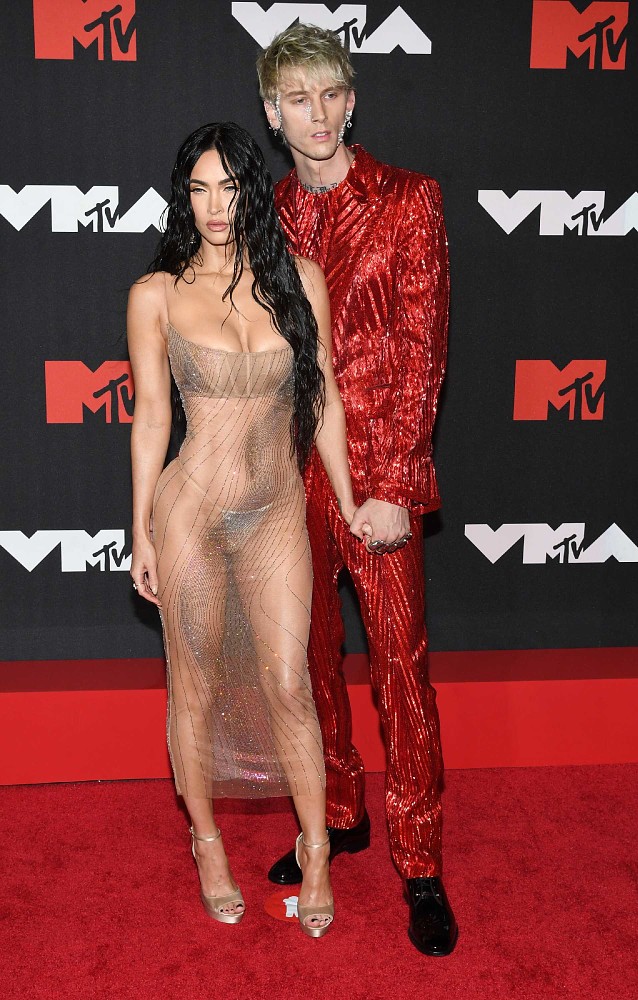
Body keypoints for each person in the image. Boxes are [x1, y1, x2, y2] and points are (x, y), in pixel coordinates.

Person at [127, 121, 366, 938]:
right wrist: (140, 531)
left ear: (252, 192)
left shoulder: (300, 279)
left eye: (228, 187)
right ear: (182, 198)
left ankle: (316, 847)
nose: (214, 206)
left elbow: (323, 398)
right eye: (198, 189)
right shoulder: (156, 294)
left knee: (289, 682)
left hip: (275, 512)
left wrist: (349, 501)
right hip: (189, 512)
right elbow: (151, 418)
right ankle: (207, 843)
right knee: (192, 685)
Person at [256, 25, 458, 956]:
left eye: (333, 93)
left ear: (352, 99)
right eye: (300, 98)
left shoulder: (411, 201)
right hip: (290, 475)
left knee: (400, 674)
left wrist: (395, 483)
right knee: (307, 661)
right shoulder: (266, 215)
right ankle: (339, 814)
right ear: (273, 112)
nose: (320, 114)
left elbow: (423, 351)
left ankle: (421, 861)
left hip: (377, 476)